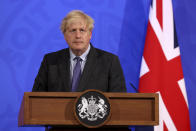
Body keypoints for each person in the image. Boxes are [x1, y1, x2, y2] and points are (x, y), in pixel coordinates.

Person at [32, 10, 126, 92]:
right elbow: (36, 98)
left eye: (82, 30)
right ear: (65, 35)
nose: (77, 36)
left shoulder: (110, 62)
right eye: (73, 30)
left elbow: (119, 101)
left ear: (90, 34)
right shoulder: (50, 61)